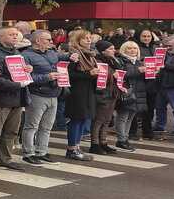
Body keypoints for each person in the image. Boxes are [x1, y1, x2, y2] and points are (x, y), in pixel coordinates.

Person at [0, 27, 30, 174]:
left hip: (16, 99)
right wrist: (17, 84)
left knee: (11, 132)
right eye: (11, 34)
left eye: (16, 34)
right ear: (1, 37)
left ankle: (5, 158)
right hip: (0, 100)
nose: (15, 37)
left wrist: (27, 71)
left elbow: (18, 74)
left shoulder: (16, 53)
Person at [20, 30, 65, 163]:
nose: (51, 42)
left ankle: (42, 151)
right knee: (32, 125)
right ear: (38, 41)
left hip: (53, 93)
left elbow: (62, 59)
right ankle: (28, 153)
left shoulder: (52, 53)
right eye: (47, 40)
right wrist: (47, 77)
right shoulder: (26, 55)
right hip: (37, 94)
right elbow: (26, 77)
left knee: (46, 126)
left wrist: (71, 56)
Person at [63, 29, 99, 161]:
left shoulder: (90, 55)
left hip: (88, 91)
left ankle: (77, 147)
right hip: (77, 92)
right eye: (85, 38)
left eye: (90, 38)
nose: (89, 40)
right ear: (78, 41)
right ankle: (72, 148)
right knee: (76, 120)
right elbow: (70, 75)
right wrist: (89, 74)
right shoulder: (75, 55)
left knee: (83, 120)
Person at [89, 40, 122, 154]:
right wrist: (112, 75)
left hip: (112, 93)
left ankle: (103, 142)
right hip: (102, 93)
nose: (114, 51)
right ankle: (95, 144)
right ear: (103, 51)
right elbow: (99, 77)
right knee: (99, 120)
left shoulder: (113, 60)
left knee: (107, 120)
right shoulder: (98, 61)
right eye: (110, 49)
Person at [115, 41, 147, 152]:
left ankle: (125, 138)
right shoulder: (120, 60)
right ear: (124, 49)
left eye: (134, 48)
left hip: (138, 92)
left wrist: (152, 73)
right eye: (129, 48)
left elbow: (142, 78)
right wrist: (138, 71)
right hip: (126, 92)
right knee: (123, 117)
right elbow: (121, 74)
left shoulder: (139, 61)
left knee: (131, 117)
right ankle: (121, 140)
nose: (132, 50)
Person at [132, 29, 158, 140]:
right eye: (144, 36)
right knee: (136, 108)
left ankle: (147, 131)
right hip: (139, 81)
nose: (146, 38)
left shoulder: (155, 48)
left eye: (148, 36)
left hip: (152, 82)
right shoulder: (135, 47)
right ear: (139, 37)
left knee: (150, 108)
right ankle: (132, 131)